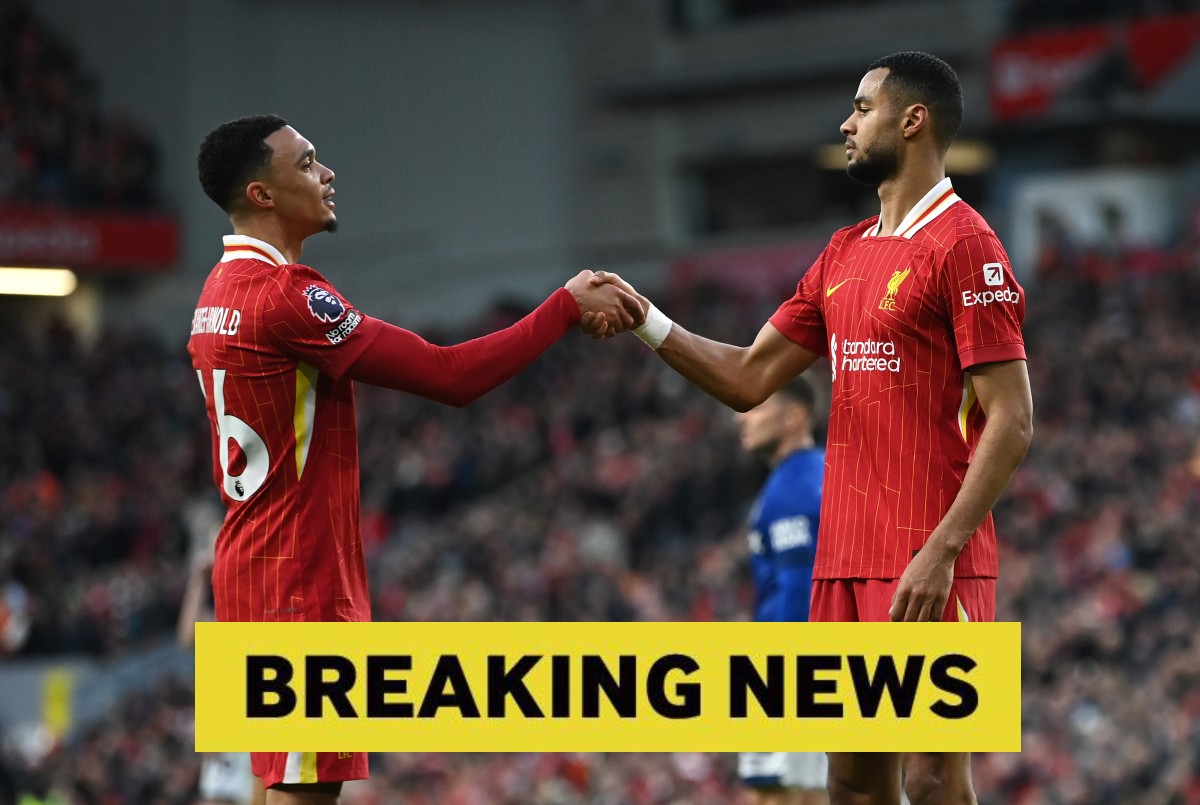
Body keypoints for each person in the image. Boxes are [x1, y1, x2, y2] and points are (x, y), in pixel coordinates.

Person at [593, 52, 1033, 805]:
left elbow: (1014, 419)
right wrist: (649, 322)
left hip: (929, 556)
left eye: (862, 107)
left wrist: (944, 548)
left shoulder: (968, 245)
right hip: (842, 558)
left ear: (913, 119)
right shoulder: (842, 252)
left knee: (930, 776)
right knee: (852, 782)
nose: (847, 122)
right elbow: (747, 377)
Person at [188, 114, 642, 804]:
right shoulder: (288, 296)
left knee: (273, 780)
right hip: (300, 582)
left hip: (249, 567)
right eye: (307, 163)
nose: (327, 172)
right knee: (304, 790)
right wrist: (563, 307)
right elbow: (450, 375)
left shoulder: (215, 294)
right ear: (263, 194)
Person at [734, 377, 828, 805]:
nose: (743, 417)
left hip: (791, 665)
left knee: (783, 794)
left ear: (794, 416)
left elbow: (801, 590)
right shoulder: (820, 475)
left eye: (756, 408)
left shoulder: (793, 489)